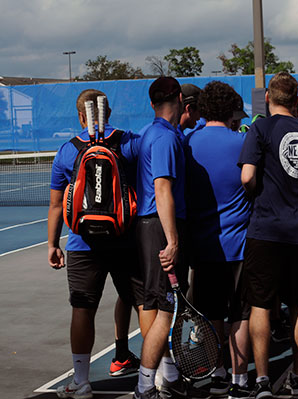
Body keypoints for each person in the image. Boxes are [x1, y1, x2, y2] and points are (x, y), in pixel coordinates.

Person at [48, 89, 143, 398]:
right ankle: (153, 377)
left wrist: (52, 244)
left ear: (80, 116)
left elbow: (55, 205)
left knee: (82, 309)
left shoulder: (67, 151)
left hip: (81, 243)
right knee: (143, 304)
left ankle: (82, 380)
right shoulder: (128, 143)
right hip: (126, 240)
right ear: (108, 112)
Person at [239, 71, 298, 398]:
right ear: (296, 101)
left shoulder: (260, 127)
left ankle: (261, 379)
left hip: (265, 227)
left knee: (260, 304)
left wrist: (259, 189)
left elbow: (247, 177)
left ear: (269, 99)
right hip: (297, 229)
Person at [184, 81, 253, 399]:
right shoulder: (244, 143)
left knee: (211, 315)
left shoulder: (188, 143)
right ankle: (240, 380)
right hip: (239, 246)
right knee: (240, 315)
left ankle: (218, 373)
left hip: (203, 247)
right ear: (231, 110)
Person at [134, 77, 188, 399]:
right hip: (159, 228)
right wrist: (173, 241)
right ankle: (144, 388)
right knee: (166, 311)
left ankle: (167, 380)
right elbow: (162, 188)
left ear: (152, 103)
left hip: (149, 227)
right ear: (180, 98)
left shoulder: (149, 133)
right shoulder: (165, 138)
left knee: (159, 307)